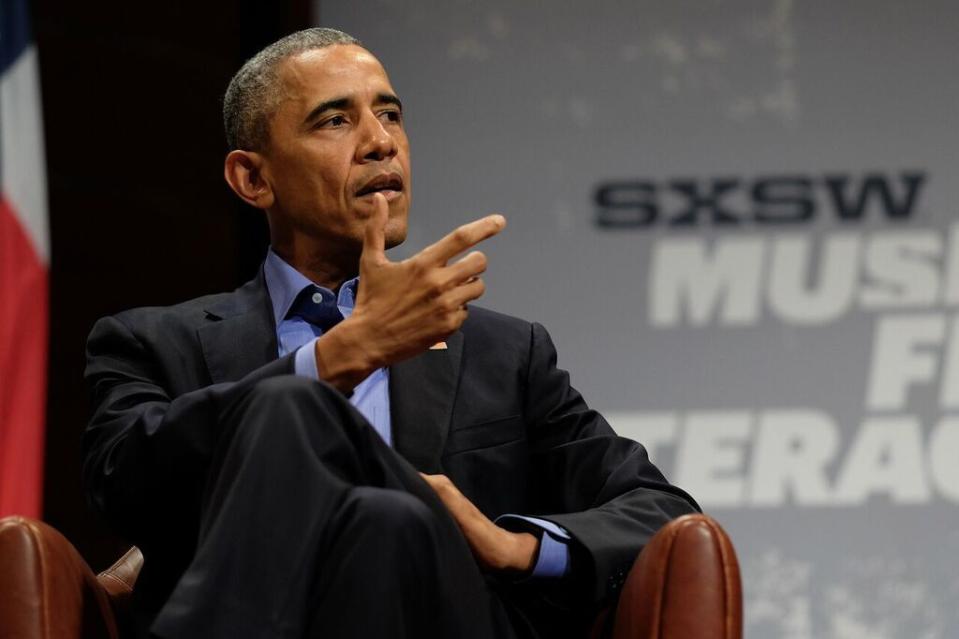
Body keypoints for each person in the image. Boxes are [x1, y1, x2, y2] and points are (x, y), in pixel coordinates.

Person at [83, 28, 699, 639]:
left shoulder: (503, 354)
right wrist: (336, 358)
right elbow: (121, 484)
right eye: (334, 121)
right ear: (253, 179)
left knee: (371, 501)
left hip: (446, 617)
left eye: (390, 114)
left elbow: (661, 512)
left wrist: (514, 545)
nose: (381, 143)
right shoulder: (151, 342)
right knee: (339, 462)